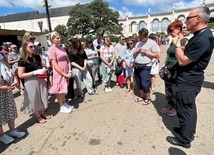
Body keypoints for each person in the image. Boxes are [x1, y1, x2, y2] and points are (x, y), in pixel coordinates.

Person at [166, 6, 214, 148]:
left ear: (198, 19)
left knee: (186, 108)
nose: (185, 22)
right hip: (189, 78)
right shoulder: (201, 35)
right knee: (186, 107)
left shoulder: (203, 38)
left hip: (189, 79)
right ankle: (186, 131)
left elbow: (182, 60)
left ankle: (184, 139)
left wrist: (177, 45)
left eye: (187, 18)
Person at [18, 40, 51, 123]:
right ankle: (38, 116)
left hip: (40, 79)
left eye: (33, 46)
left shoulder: (37, 56)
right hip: (30, 81)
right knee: (34, 99)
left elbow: (40, 66)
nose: (33, 48)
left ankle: (43, 112)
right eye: (30, 47)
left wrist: (43, 69)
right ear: (25, 48)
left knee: (42, 96)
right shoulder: (22, 59)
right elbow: (20, 75)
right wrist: (34, 72)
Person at [0, 51, 26, 144]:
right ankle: (2, 135)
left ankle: (12, 130)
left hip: (7, 86)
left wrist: (14, 77)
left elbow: (6, 65)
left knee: (10, 109)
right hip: (1, 87)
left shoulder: (1, 55)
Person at [48, 32, 73, 113]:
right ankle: (61, 106)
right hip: (59, 72)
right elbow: (54, 64)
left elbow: (68, 60)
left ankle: (64, 103)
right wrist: (64, 73)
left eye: (59, 38)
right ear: (52, 40)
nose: (59, 39)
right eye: (57, 38)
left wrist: (69, 70)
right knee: (59, 89)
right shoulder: (51, 49)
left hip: (66, 70)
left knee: (63, 88)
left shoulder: (62, 48)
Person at [133, 28, 159, 105]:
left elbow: (157, 55)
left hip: (146, 66)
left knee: (145, 82)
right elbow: (133, 55)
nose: (139, 38)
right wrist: (137, 51)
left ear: (146, 36)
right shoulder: (138, 43)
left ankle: (148, 98)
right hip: (137, 65)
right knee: (139, 82)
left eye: (141, 37)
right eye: (139, 36)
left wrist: (146, 52)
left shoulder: (152, 43)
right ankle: (142, 96)